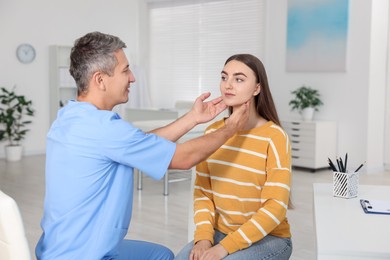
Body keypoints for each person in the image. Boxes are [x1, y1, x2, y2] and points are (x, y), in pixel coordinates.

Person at [35, 32, 250, 260]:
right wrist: (230, 128)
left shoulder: (71, 116)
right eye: (125, 70)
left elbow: (139, 144)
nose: (133, 78)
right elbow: (184, 158)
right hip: (85, 254)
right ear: (100, 80)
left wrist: (193, 118)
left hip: (59, 248)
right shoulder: (103, 129)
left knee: (160, 255)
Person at [175, 54, 292, 260]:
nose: (228, 85)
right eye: (224, 77)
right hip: (220, 233)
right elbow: (203, 193)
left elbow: (276, 208)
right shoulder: (213, 133)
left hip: (269, 238)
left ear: (257, 88)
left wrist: (224, 248)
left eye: (239, 79)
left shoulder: (274, 137)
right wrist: (203, 238)